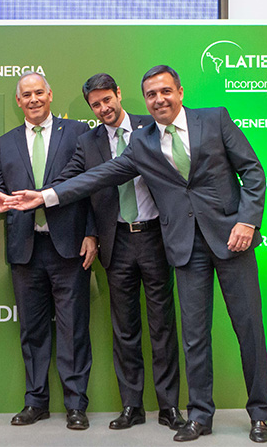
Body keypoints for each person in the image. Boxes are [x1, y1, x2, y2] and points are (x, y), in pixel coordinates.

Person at [10, 65, 267, 443]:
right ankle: (199, 416)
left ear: (180, 92)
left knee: (248, 329)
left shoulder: (214, 120)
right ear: (145, 100)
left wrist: (247, 222)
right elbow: (99, 176)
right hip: (185, 247)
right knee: (194, 337)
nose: (159, 99)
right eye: (151, 95)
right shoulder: (144, 142)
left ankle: (260, 415)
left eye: (165, 91)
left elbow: (253, 172)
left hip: (232, 240)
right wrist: (45, 196)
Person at [55, 73, 184, 431]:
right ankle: (132, 406)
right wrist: (27, 195)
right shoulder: (87, 143)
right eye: (95, 105)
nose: (103, 108)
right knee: (125, 329)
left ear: (118, 95)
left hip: (157, 236)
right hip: (118, 242)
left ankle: (169, 406)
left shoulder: (152, 125)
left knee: (162, 326)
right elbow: (70, 184)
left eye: (107, 100)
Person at [0, 72, 95, 430]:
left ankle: (76, 404)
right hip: (25, 249)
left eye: (39, 93)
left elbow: (94, 188)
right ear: (18, 101)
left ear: (50, 95)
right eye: (26, 95)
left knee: (73, 329)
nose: (33, 99)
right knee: (33, 331)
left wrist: (92, 233)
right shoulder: (3, 143)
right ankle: (36, 402)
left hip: (69, 245)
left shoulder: (78, 132)